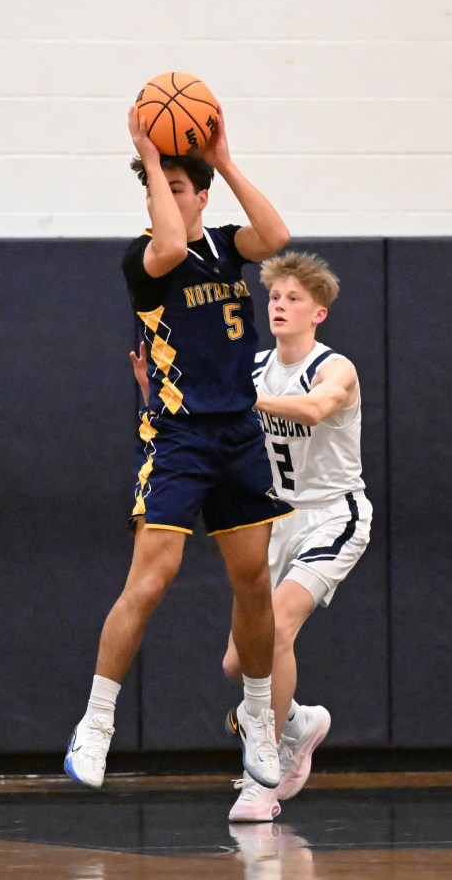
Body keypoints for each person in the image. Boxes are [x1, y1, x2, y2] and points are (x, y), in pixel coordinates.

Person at [64, 104, 294, 793]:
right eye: (152, 185)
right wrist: (153, 156)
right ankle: (97, 720)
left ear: (201, 194)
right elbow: (167, 241)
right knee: (152, 577)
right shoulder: (144, 258)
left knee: (253, 581)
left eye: (172, 185)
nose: (159, 194)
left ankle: (258, 718)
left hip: (239, 433)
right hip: (179, 436)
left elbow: (279, 234)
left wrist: (222, 160)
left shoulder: (227, 244)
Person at [223, 251, 372, 822]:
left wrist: (247, 400)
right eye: (275, 297)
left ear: (319, 313)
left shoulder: (336, 368)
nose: (280, 306)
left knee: (279, 625)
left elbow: (314, 410)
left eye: (293, 299)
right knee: (239, 663)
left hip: (333, 515)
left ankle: (263, 773)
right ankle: (301, 722)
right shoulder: (254, 365)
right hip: (274, 520)